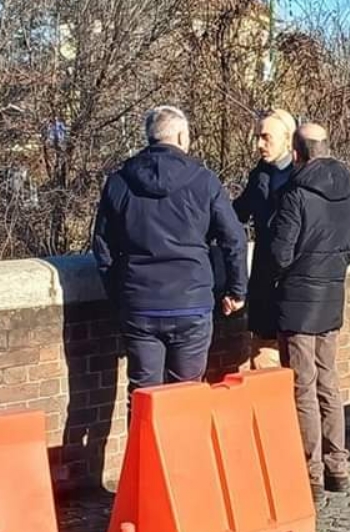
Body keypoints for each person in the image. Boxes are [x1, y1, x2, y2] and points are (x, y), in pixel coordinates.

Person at [92, 106, 247, 409]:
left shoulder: (119, 182)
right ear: (180, 136)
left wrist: (120, 292)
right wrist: (236, 290)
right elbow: (234, 239)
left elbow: (102, 247)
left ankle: (143, 455)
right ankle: (182, 457)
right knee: (187, 397)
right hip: (191, 302)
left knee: (142, 396)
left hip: (139, 301)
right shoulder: (204, 181)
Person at [271, 123, 350, 495]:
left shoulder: (296, 194)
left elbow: (280, 253)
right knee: (329, 382)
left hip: (298, 301)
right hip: (331, 296)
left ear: (296, 153)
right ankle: (337, 466)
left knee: (302, 387)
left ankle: (309, 473)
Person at [233, 108, 297, 370]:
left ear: (288, 139)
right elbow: (237, 214)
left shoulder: (302, 177)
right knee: (262, 361)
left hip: (293, 282)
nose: (259, 144)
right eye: (258, 137)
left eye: (266, 137)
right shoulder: (259, 175)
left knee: (298, 364)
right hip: (263, 282)